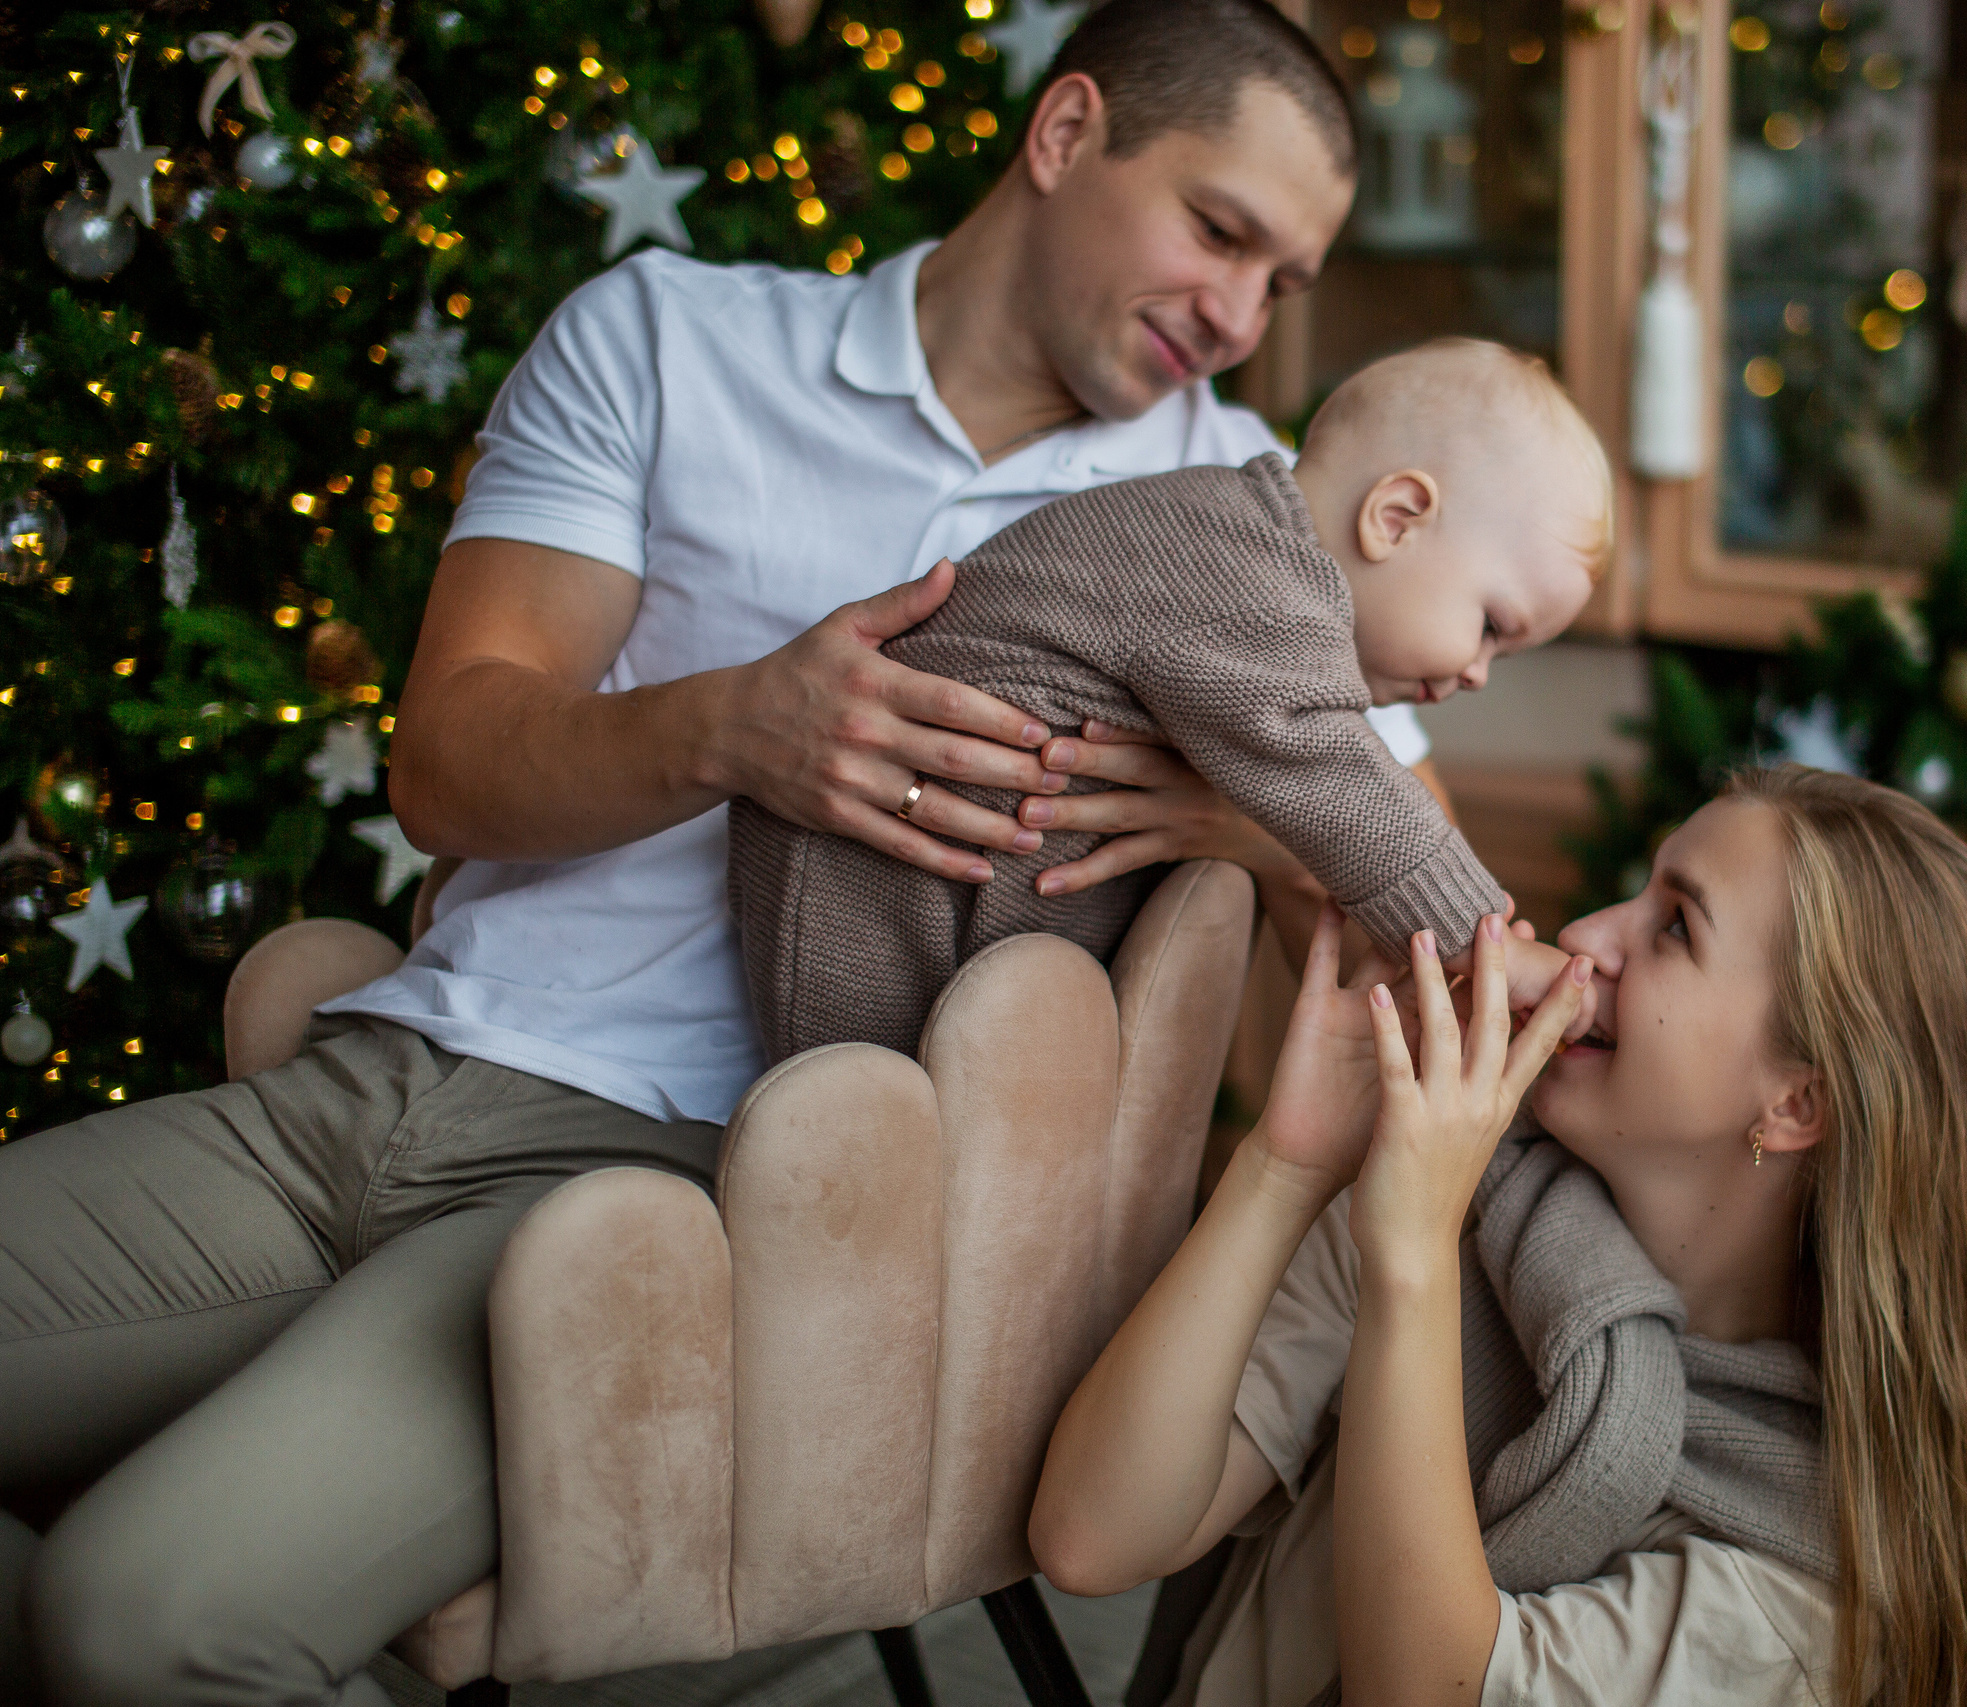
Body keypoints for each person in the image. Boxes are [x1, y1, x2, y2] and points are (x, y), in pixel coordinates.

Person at [0, 2, 1400, 1698]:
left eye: (1282, 282)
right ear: (1066, 132)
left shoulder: (1251, 512)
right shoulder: (670, 339)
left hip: (662, 1195)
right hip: (372, 1079)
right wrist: (738, 727)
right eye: (1220, 232)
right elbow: (446, 760)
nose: (1241, 318)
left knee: (135, 1620)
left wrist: (1223, 806)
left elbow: (1399, 883)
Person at [1032, 766, 1967, 1707]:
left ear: (1795, 1104)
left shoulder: (1800, 1587)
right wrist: (1289, 1167)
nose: (1588, 935)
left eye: (1674, 927)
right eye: (1641, 891)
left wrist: (1413, 1258)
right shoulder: (1478, 1203)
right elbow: (1092, 1535)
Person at [731, 338, 1611, 1061]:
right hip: (865, 883)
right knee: (854, 1122)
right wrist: (1488, 944)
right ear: (1397, 517)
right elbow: (1339, 779)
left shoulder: (1264, 577)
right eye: (1492, 626)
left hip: (962, 903)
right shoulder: (1245, 568)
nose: (1478, 672)